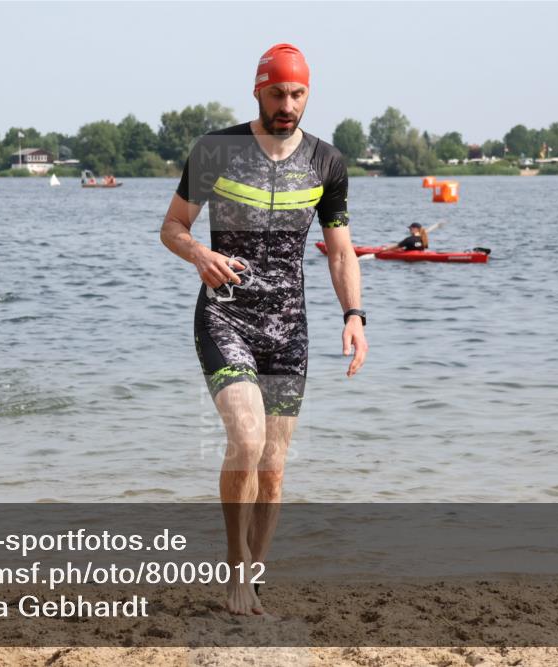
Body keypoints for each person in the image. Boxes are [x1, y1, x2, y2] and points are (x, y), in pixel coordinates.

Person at [159, 43, 367, 616]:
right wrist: (198, 253)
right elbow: (172, 226)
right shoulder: (216, 151)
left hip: (288, 326)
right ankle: (234, 576)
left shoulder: (328, 163)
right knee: (246, 441)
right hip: (225, 314)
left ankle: (253, 579)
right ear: (257, 90)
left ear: (308, 95)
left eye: (298, 94)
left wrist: (354, 316)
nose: (287, 104)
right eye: (277, 93)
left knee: (273, 470)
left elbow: (341, 251)